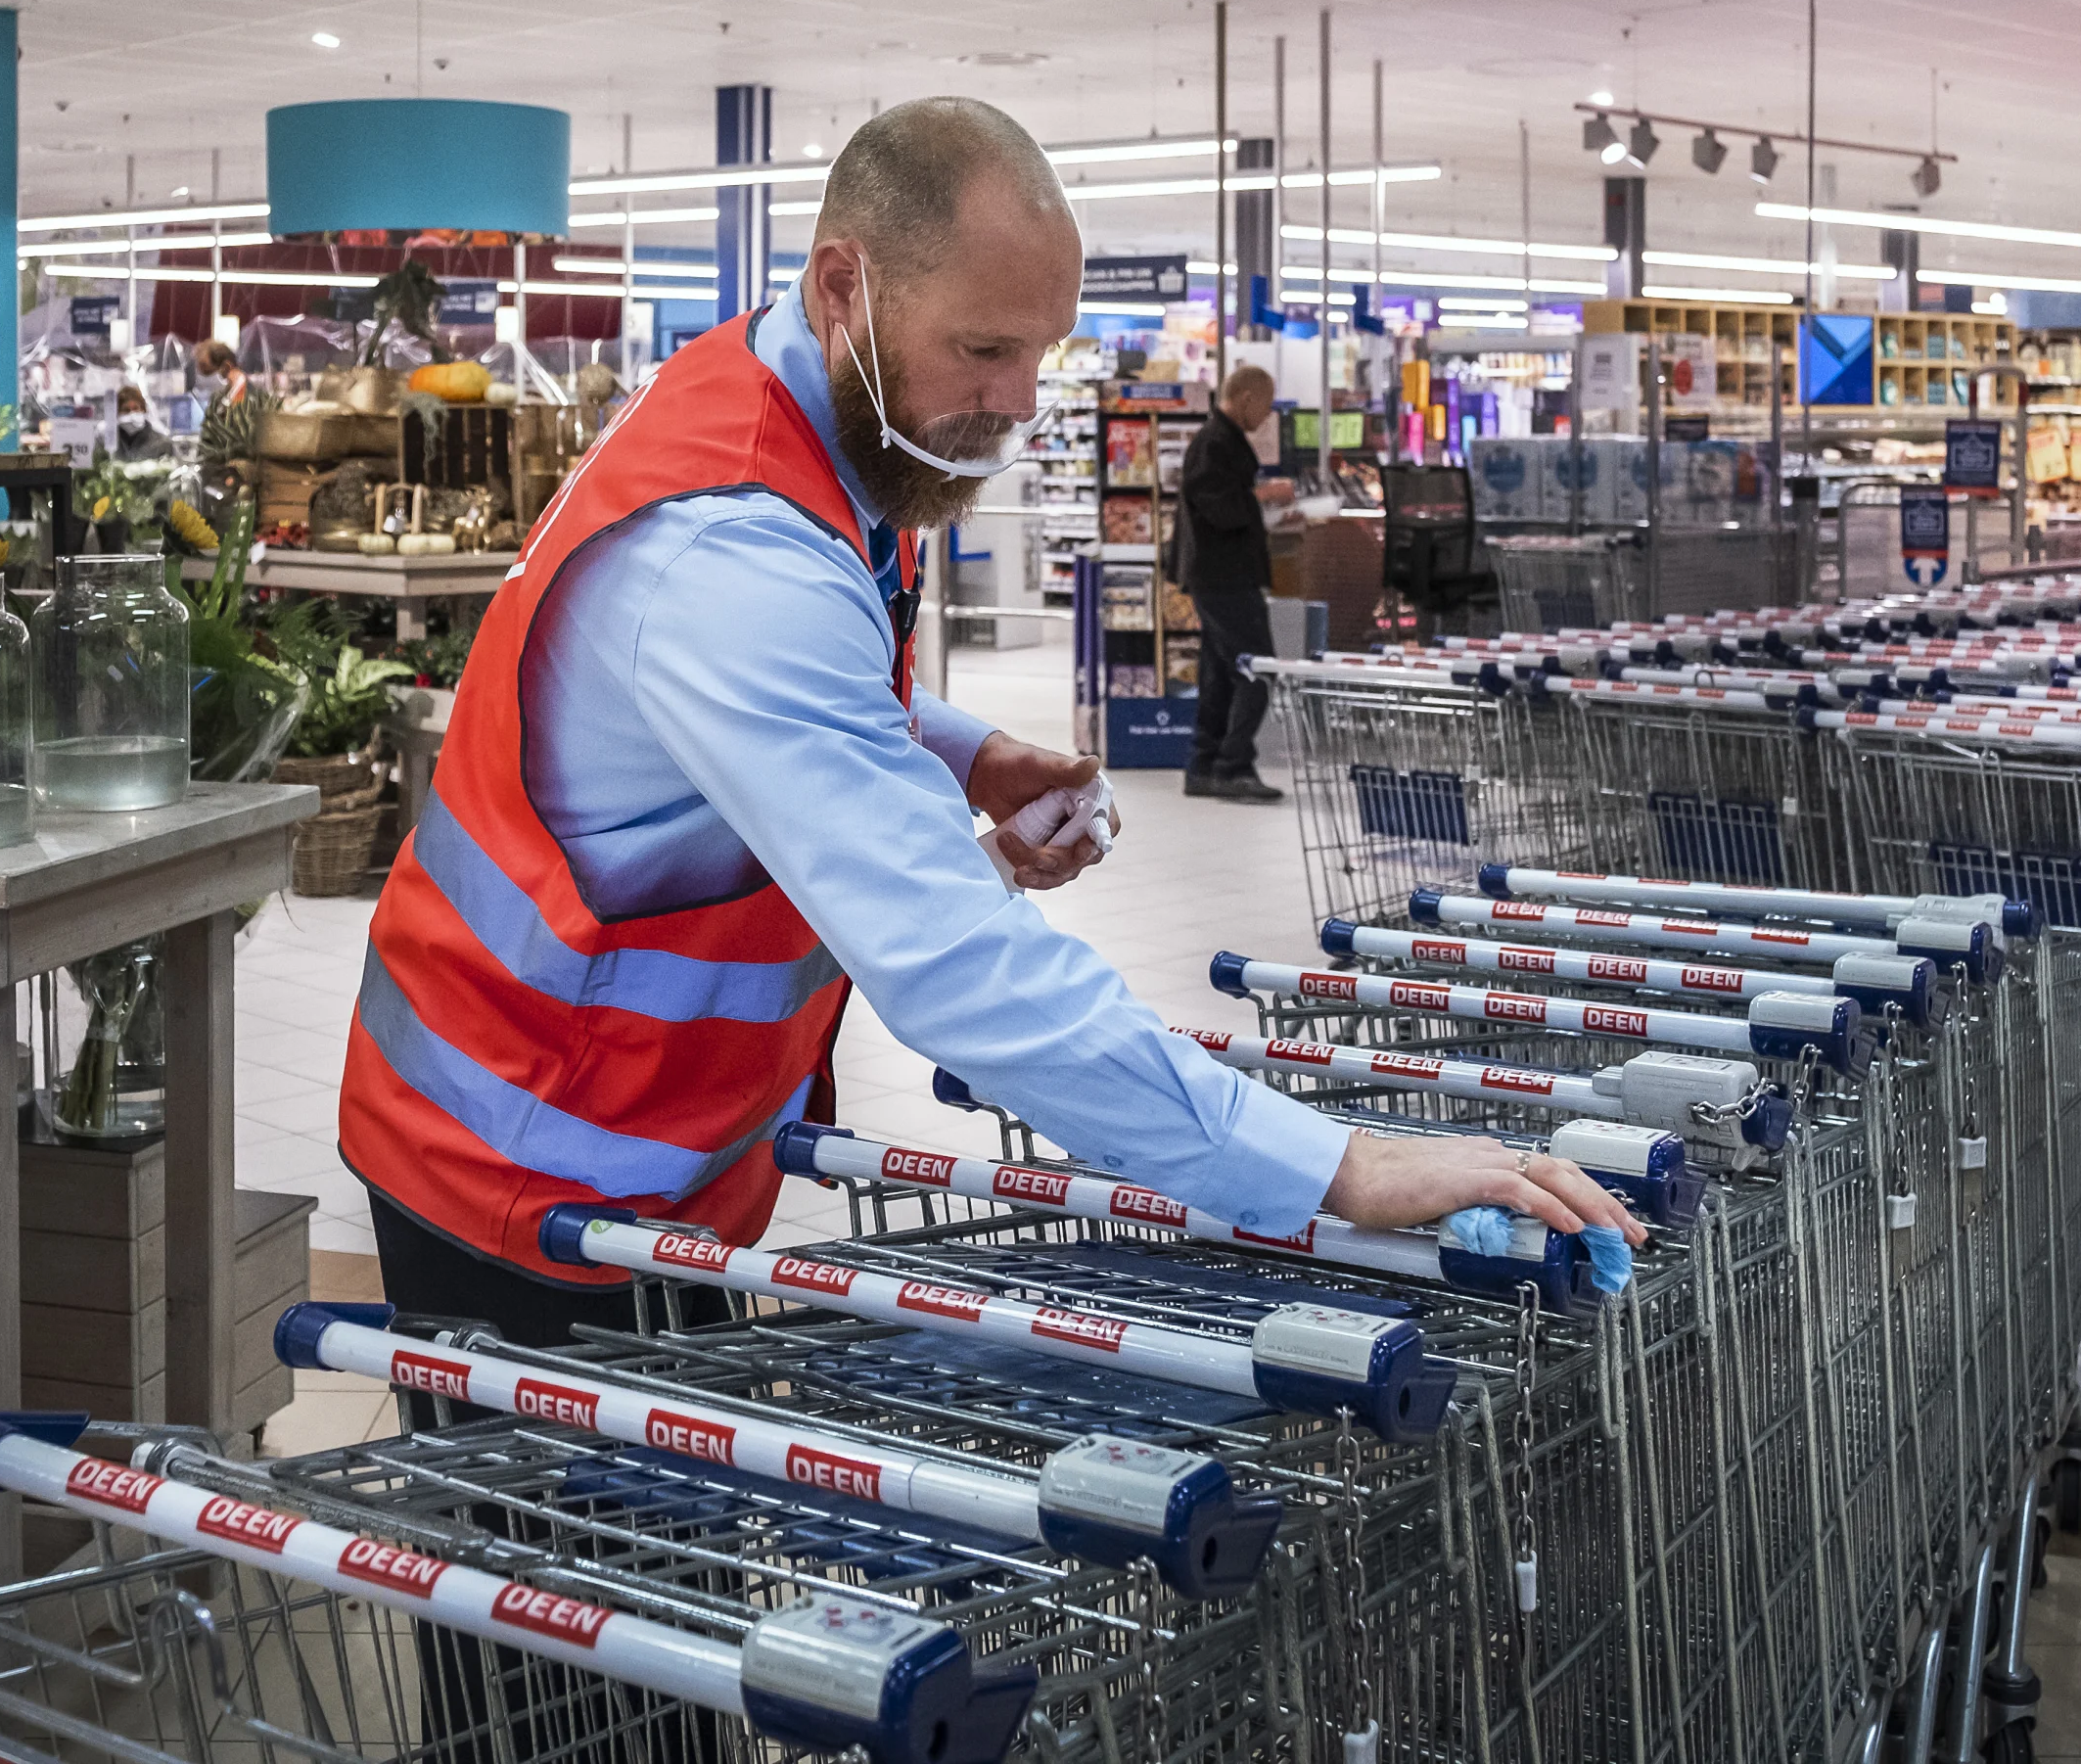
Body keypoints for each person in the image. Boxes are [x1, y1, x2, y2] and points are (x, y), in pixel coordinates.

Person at [337, 97, 1638, 1343]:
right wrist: (1333, 1166)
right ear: (846, 288)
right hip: (522, 1156)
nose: (1022, 400)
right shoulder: (733, 546)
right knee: (569, 1558)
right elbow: (957, 966)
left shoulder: (791, 415)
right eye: (983, 349)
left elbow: (779, 684)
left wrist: (960, 753)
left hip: (630, 1135)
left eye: (1042, 350)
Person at [1179, 362, 1294, 802]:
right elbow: (1220, 509)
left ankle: (1203, 764)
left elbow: (1228, 508)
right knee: (1258, 669)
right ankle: (1233, 766)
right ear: (1246, 397)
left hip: (1222, 574)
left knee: (1222, 674)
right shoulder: (1215, 443)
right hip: (1222, 577)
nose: (1266, 415)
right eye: (1265, 405)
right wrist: (1266, 496)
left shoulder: (1223, 441)